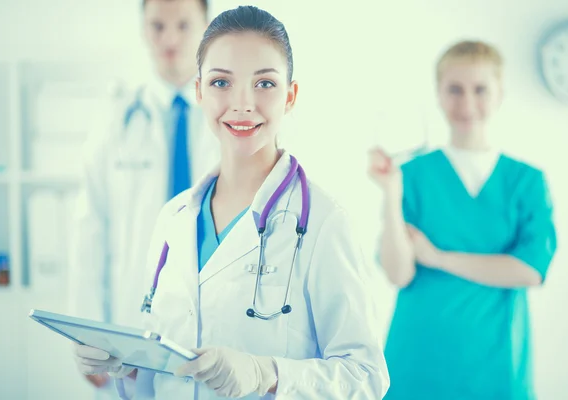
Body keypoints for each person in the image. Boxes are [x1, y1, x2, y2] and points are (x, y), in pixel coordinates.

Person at [73, 5, 390, 399]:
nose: (242, 104)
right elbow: (164, 371)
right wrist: (128, 366)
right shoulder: (174, 219)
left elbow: (366, 376)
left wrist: (268, 373)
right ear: (200, 91)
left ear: (290, 96)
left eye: (265, 84)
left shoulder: (324, 223)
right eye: (222, 83)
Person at [368, 40, 557, 399]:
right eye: (455, 89)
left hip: (496, 362)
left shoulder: (527, 181)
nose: (467, 103)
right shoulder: (410, 175)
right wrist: (391, 193)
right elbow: (398, 273)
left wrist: (438, 258)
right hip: (417, 356)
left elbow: (529, 270)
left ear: (500, 94)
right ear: (438, 94)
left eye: (480, 89)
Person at [67, 0, 219, 394]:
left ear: (206, 29)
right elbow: (90, 229)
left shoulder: (232, 117)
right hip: (132, 322)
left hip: (216, 321)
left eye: (183, 25)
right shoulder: (114, 121)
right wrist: (87, 328)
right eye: (157, 26)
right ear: (143, 29)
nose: (169, 39)